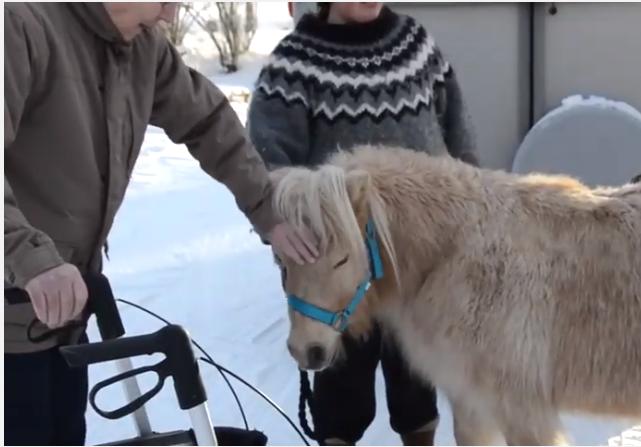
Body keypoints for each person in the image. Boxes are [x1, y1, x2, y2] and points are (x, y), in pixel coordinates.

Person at [4, 3, 319, 445]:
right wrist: (31, 260)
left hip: (64, 313)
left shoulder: (141, 46)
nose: (171, 15)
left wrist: (268, 209)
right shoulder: (20, 26)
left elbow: (208, 120)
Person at [246, 3, 479, 445]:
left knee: (416, 385)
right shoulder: (296, 63)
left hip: (416, 267)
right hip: (334, 275)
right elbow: (265, 165)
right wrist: (287, 228)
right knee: (341, 393)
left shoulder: (414, 46)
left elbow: (458, 138)